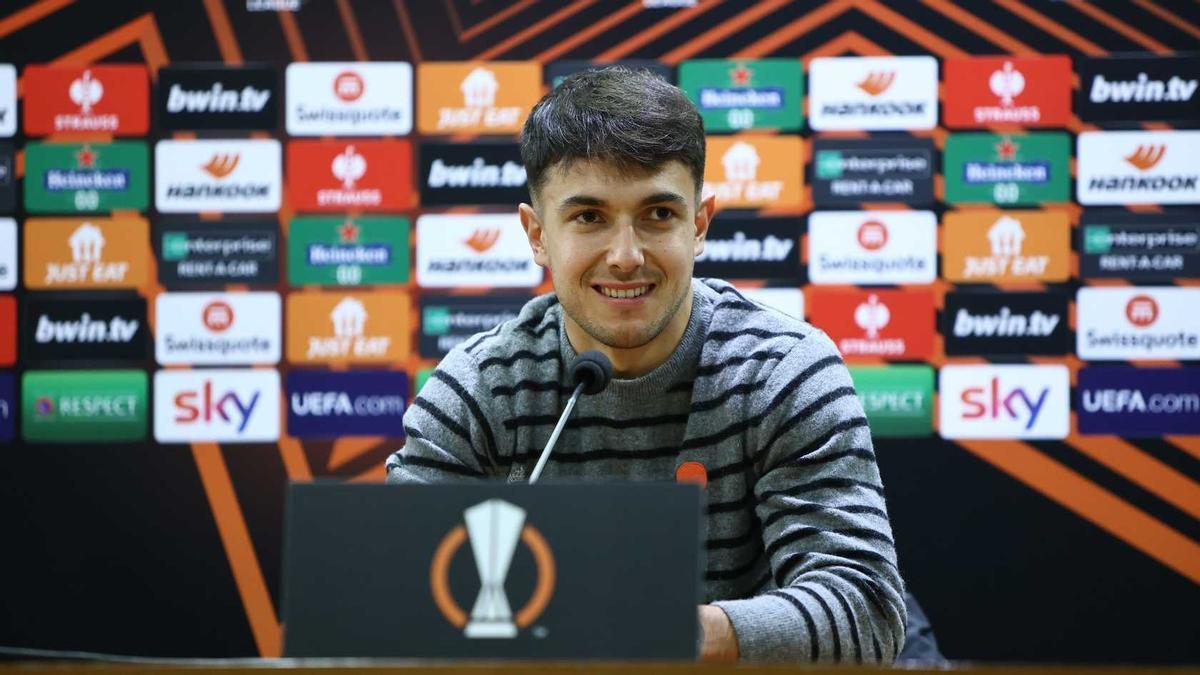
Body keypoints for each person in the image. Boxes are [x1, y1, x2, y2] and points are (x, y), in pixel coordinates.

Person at [387, 66, 909, 663]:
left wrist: (662, 630)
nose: (627, 256)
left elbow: (867, 617)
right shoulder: (477, 391)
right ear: (536, 234)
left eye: (658, 215)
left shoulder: (783, 370)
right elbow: (398, 611)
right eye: (589, 217)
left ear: (700, 224)